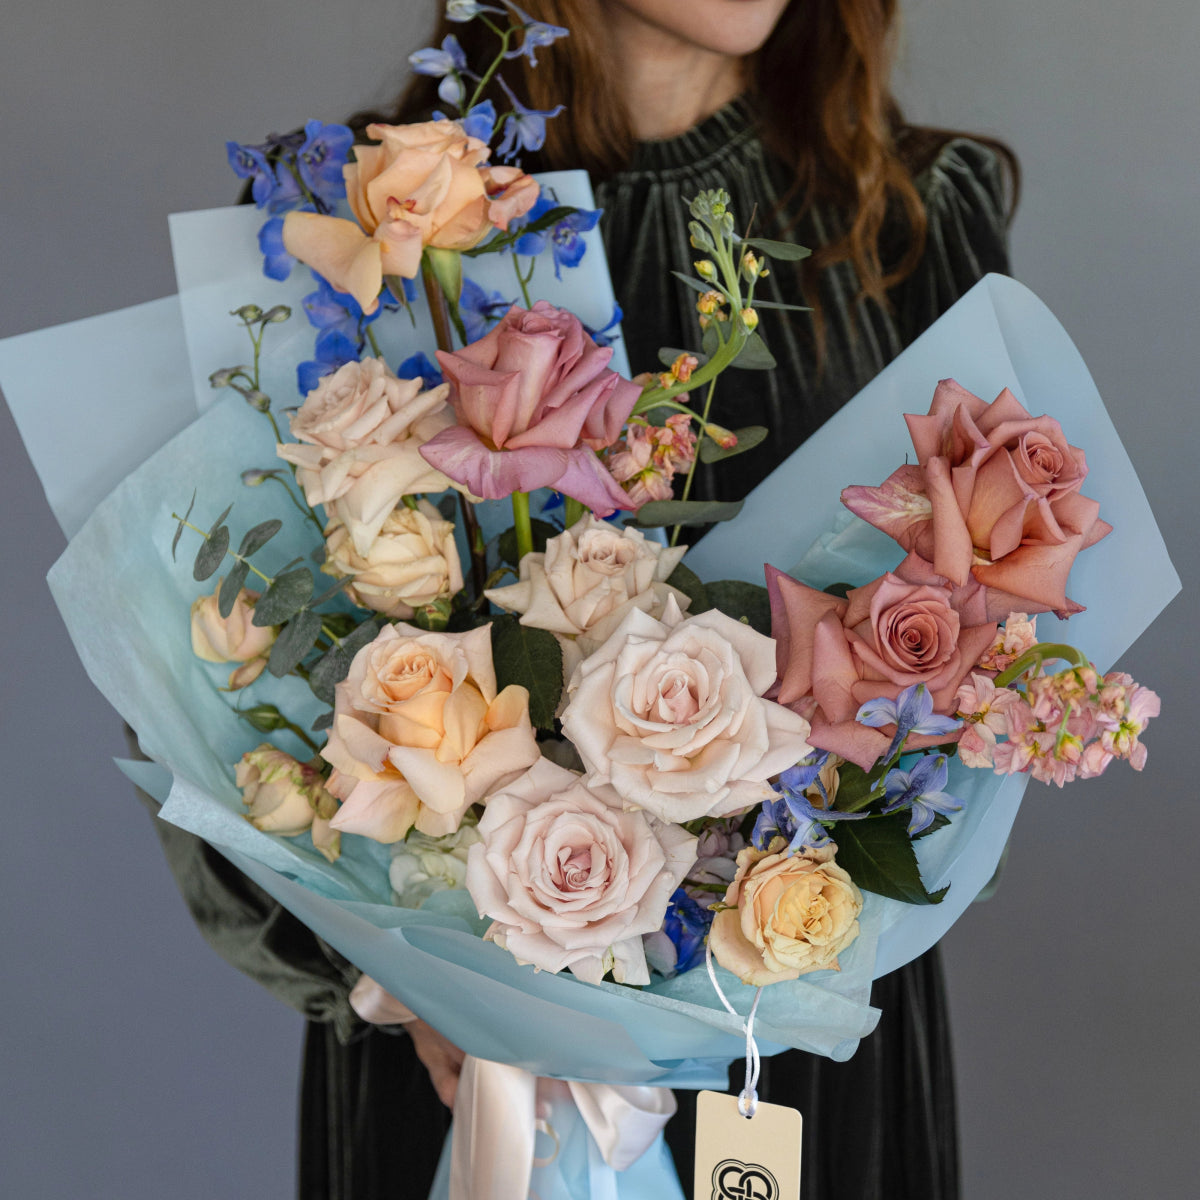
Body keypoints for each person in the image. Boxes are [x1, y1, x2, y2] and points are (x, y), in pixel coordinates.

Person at [146, 1, 1017, 1195]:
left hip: (788, 1050)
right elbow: (220, 673)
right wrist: (396, 987)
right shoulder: (360, 225)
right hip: (463, 1066)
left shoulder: (914, 220)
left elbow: (986, 676)